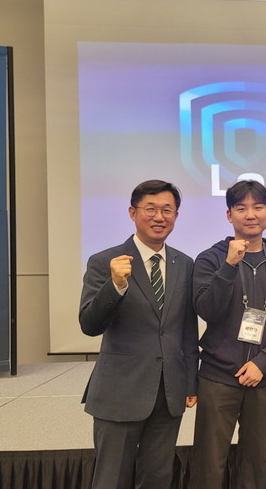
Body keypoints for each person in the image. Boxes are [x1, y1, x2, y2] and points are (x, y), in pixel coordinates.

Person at [79, 179, 198, 489]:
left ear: (175, 216)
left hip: (169, 391)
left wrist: (190, 381)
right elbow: (89, 325)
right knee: (112, 478)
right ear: (133, 213)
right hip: (121, 390)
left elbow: (187, 329)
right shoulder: (106, 261)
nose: (159, 217)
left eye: (167, 210)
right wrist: (115, 286)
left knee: (157, 477)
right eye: (150, 209)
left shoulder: (185, 264)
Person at [189, 180, 266, 489]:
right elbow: (207, 310)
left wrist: (262, 363)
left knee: (256, 461)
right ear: (229, 215)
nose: (250, 215)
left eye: (258, 207)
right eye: (241, 208)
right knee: (209, 462)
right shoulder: (210, 258)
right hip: (218, 376)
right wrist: (228, 266)